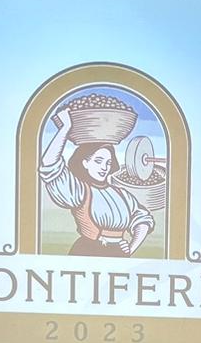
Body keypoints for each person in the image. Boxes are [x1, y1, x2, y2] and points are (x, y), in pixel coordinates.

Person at [39, 105, 153, 257]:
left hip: (118, 254)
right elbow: (49, 164)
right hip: (87, 252)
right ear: (85, 163)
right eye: (98, 161)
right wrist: (65, 128)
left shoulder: (121, 194)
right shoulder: (80, 190)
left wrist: (131, 247)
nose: (104, 167)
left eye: (108, 163)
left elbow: (142, 220)